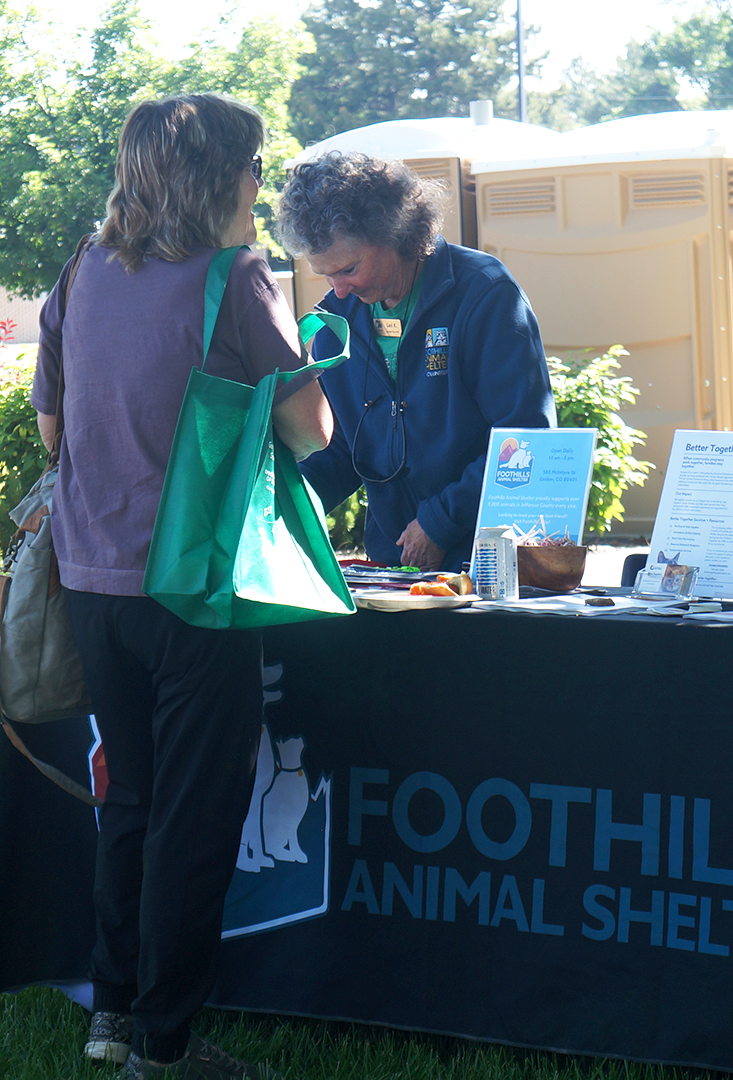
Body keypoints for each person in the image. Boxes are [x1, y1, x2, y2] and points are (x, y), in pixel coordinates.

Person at [32, 94, 331, 1080]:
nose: (258, 185)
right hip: (196, 586)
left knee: (129, 801)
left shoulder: (80, 271)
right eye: (254, 167)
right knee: (194, 818)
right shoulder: (237, 275)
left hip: (92, 583)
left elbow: (49, 430)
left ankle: (110, 1014)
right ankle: (165, 1047)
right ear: (224, 177)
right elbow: (310, 431)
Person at [275, 152, 556, 572]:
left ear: (395, 232)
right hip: (395, 566)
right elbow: (343, 453)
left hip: (488, 565)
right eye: (326, 275)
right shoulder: (337, 322)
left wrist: (441, 523)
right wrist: (281, 509)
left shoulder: (484, 293)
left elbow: (527, 436)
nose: (339, 290)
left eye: (349, 268)